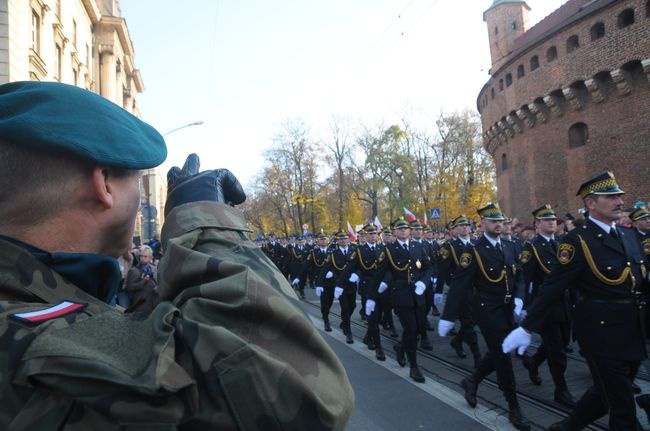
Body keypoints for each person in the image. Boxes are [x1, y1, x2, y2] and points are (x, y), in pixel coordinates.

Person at [0, 81, 353, 430]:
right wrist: (204, 223)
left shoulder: (43, 297)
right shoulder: (41, 341)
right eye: (136, 180)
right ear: (104, 183)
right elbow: (305, 395)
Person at [503, 172, 648, 431]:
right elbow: (553, 286)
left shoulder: (629, 236)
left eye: (619, 196)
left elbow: (641, 282)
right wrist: (527, 327)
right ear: (591, 203)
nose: (619, 201)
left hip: (633, 330)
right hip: (600, 332)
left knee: (607, 393)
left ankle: (567, 427)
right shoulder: (577, 241)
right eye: (611, 197)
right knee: (622, 408)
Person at [438, 203, 530, 431]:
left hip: (508, 309)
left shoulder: (510, 246)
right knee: (503, 358)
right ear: (482, 225)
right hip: (487, 310)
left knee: (501, 351)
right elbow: (459, 285)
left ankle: (473, 380)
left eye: (501, 221)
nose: (499, 225)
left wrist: (520, 298)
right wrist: (448, 315)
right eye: (493, 221)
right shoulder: (474, 250)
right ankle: (513, 406)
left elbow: (519, 276)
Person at [519, 205, 576, 408]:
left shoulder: (562, 243)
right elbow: (524, 279)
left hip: (565, 303)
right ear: (537, 224)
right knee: (557, 350)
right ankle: (561, 390)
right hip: (546, 305)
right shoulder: (531, 247)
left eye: (554, 219)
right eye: (547, 220)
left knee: (560, 342)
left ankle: (533, 363)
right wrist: (524, 304)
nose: (552, 222)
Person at [375, 217, 433, 383]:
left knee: (418, 327)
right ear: (394, 232)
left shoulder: (418, 246)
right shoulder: (389, 250)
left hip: (418, 293)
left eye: (406, 228)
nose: (403, 231)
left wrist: (424, 282)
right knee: (411, 328)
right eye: (400, 229)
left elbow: (429, 267)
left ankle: (400, 347)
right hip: (400, 295)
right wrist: (373, 296)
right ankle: (414, 367)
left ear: (410, 231)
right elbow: (379, 274)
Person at [436, 215, 482, 368]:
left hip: (477, 290)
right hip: (461, 291)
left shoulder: (476, 244)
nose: (464, 228)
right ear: (454, 229)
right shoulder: (449, 247)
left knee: (474, 320)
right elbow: (443, 270)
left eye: (466, 225)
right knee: (468, 323)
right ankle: (477, 356)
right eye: (460, 226)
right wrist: (438, 290)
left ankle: (457, 341)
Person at [125, 245, 160, 313]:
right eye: (141, 256)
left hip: (153, 303)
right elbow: (129, 288)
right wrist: (143, 281)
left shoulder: (154, 269)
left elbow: (158, 282)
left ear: (150, 258)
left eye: (145, 256)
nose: (143, 258)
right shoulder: (134, 271)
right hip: (140, 304)